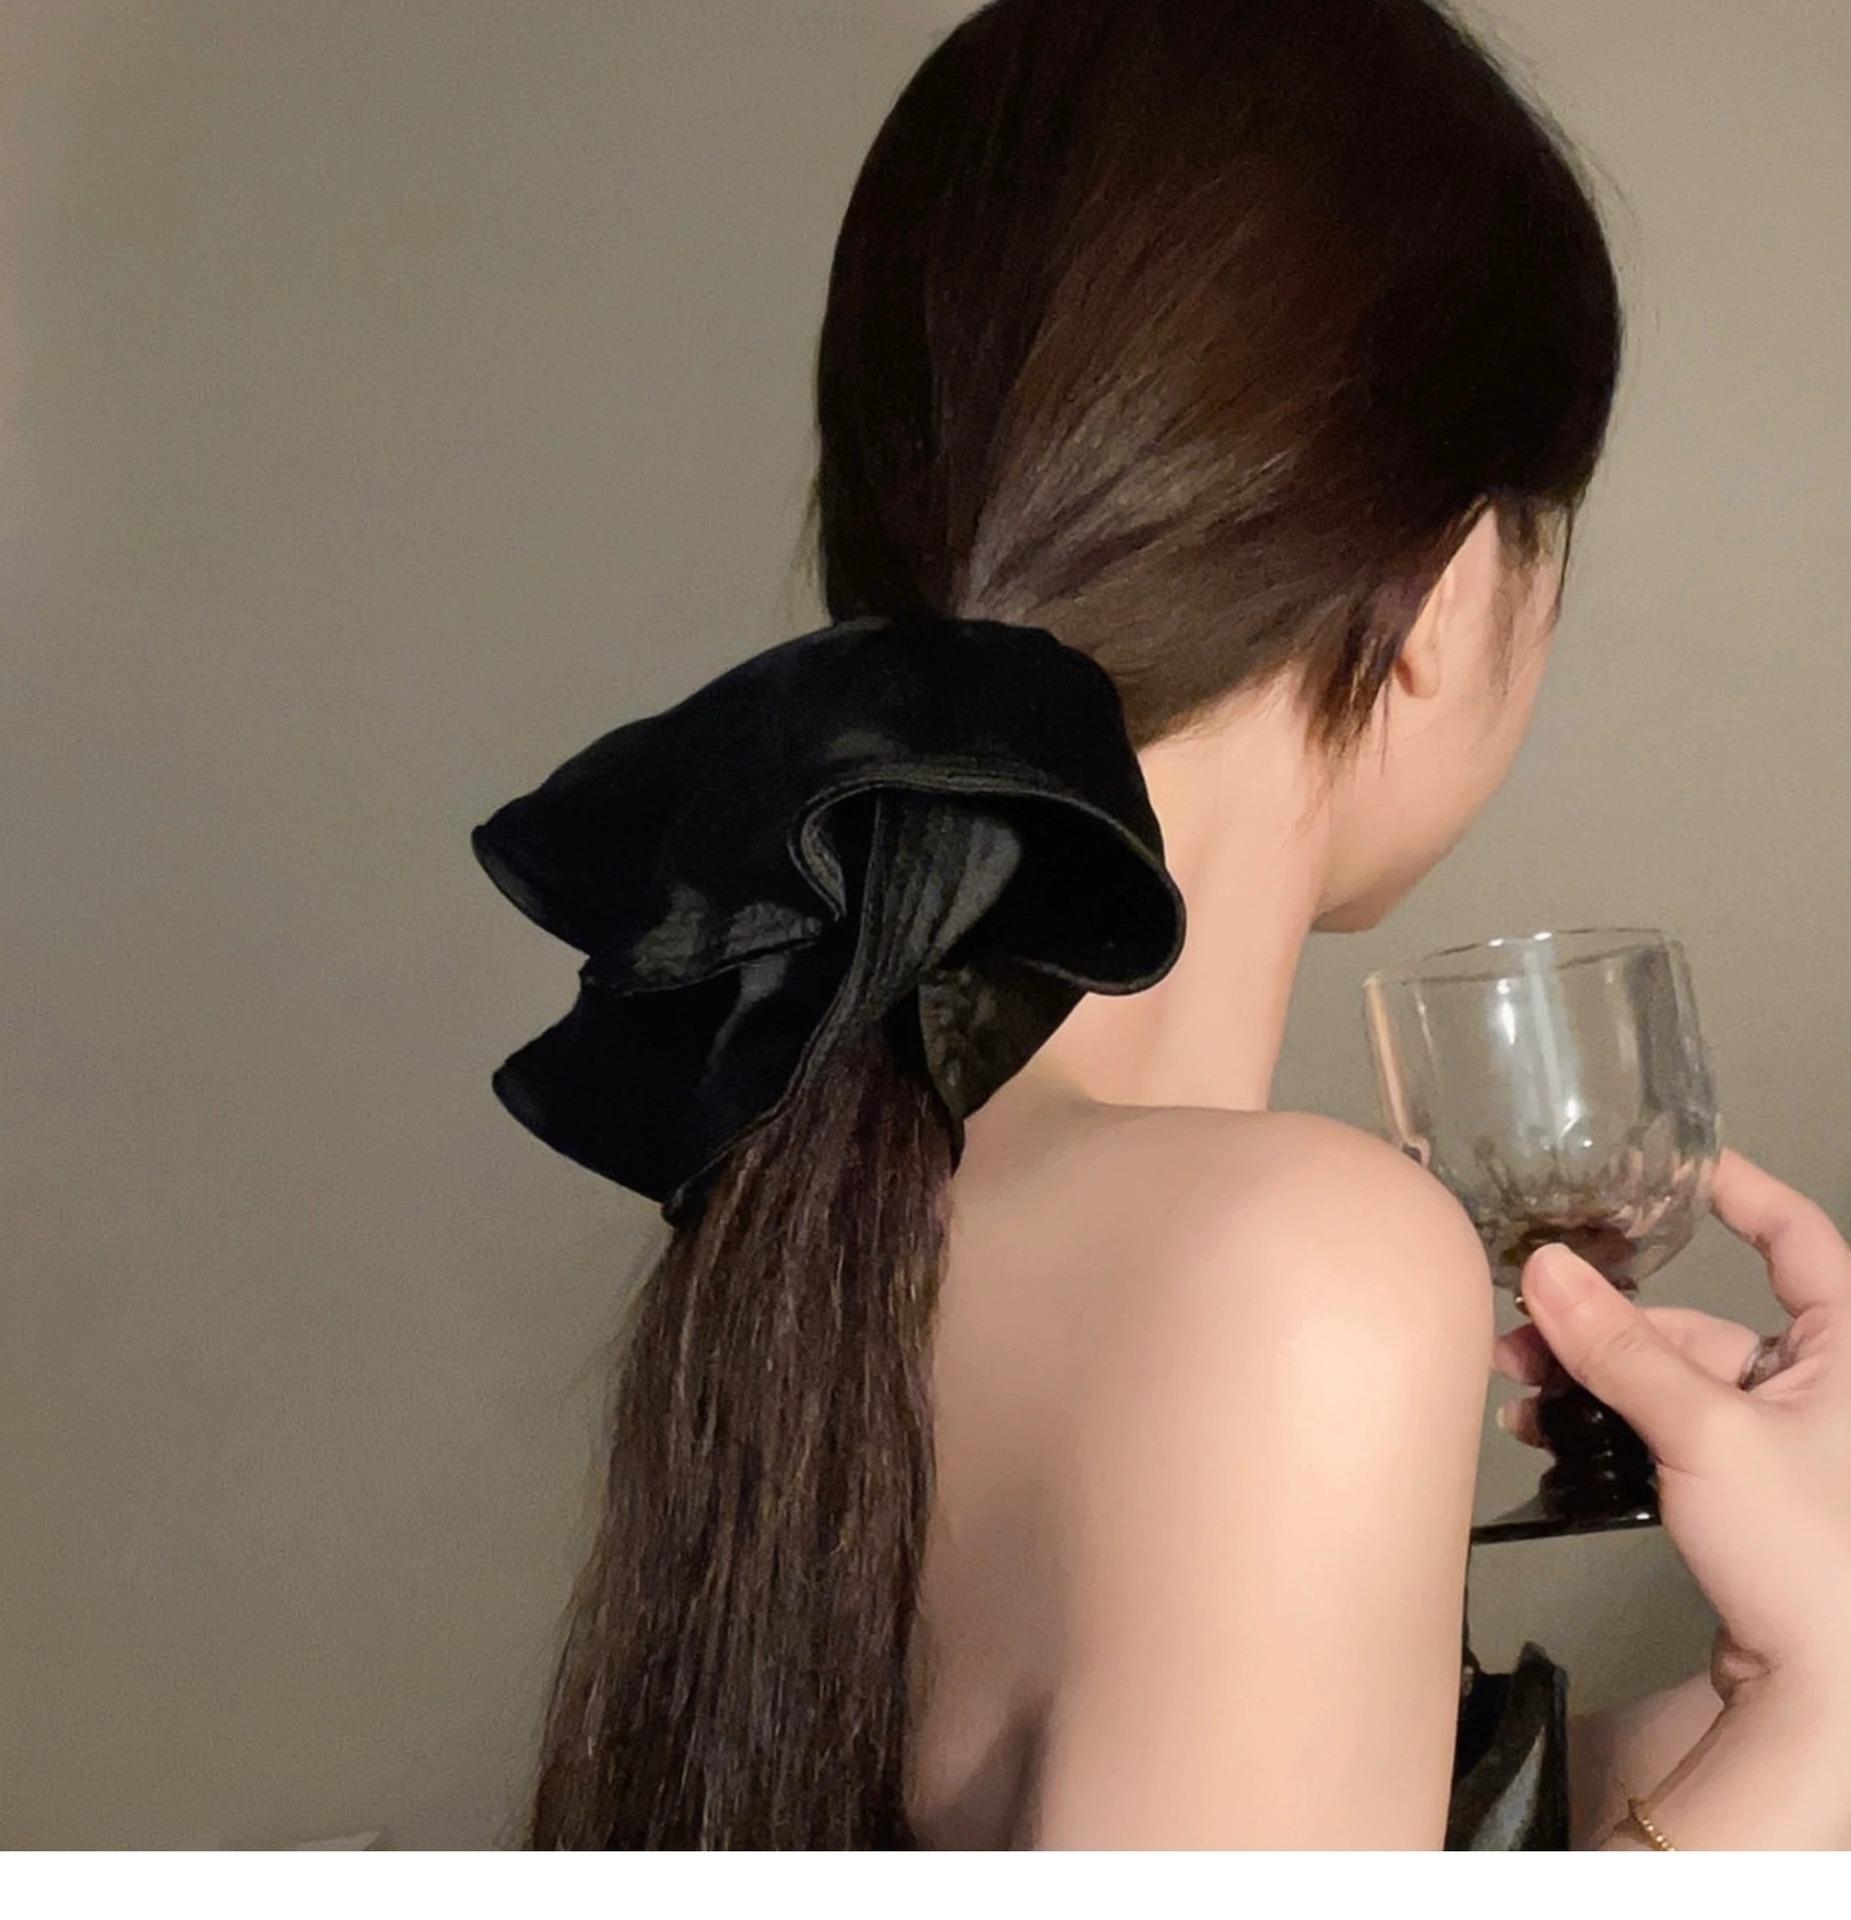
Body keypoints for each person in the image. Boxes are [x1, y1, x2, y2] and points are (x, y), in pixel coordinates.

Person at [472, 0, 1851, 1848]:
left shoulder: (839, 1174)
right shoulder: (1289, 1275)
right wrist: (1816, 1737)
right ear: (1442, 592)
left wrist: (1768, 1685)